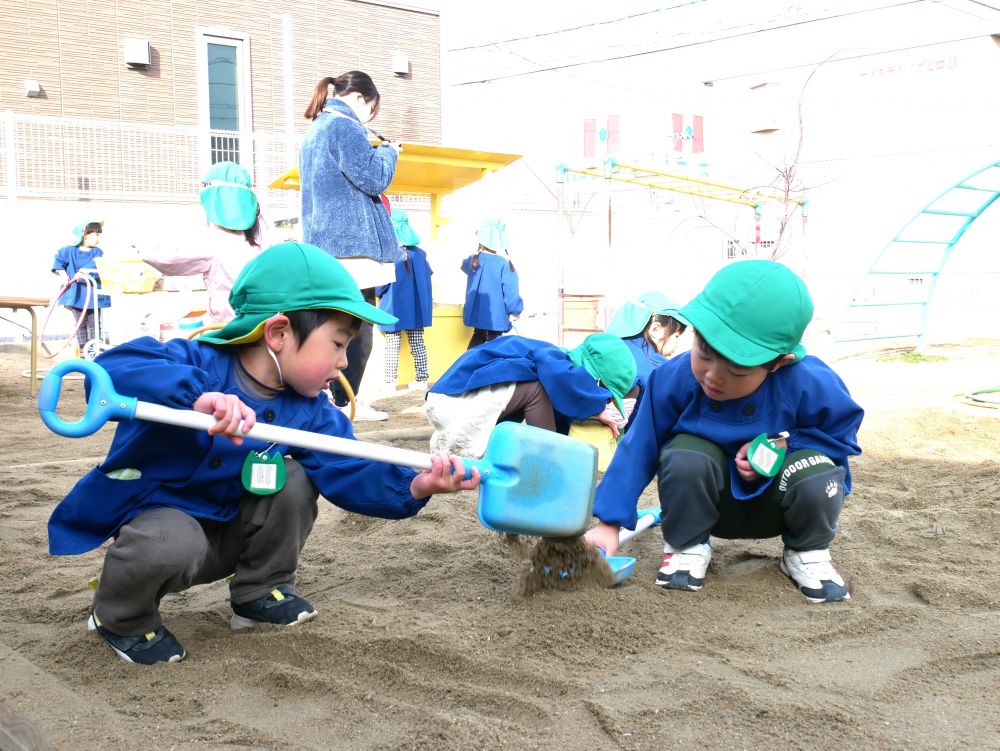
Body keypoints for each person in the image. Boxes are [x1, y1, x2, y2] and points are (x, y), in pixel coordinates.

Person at [47, 242, 480, 665]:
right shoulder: (197, 362)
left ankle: (258, 590)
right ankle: (121, 616)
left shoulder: (310, 412)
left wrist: (418, 484)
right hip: (159, 535)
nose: (345, 361)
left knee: (295, 478)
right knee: (169, 540)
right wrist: (196, 397)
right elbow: (117, 369)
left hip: (229, 533)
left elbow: (350, 465)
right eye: (338, 344)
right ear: (278, 333)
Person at [584, 260, 864, 603]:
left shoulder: (810, 382)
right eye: (705, 352)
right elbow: (639, 445)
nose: (714, 376)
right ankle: (686, 547)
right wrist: (609, 522)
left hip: (779, 502)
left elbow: (840, 435)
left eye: (736, 368)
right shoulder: (673, 379)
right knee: (684, 453)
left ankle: (807, 552)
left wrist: (783, 446)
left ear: (778, 363)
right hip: (701, 506)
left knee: (819, 470)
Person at [300, 71, 402, 420]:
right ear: (359, 98)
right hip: (352, 248)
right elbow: (373, 178)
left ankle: (325, 400)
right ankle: (344, 403)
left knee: (327, 327)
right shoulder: (344, 126)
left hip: (323, 246)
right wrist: (389, 152)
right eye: (371, 110)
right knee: (358, 331)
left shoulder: (316, 130)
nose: (370, 119)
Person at [425, 333, 636, 459]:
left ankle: (540, 454)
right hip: (452, 401)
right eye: (602, 391)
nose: (602, 397)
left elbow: (557, 408)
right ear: (596, 379)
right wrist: (596, 406)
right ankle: (546, 459)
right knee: (535, 388)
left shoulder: (557, 373)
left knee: (534, 390)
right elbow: (562, 379)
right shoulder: (553, 356)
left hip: (456, 400)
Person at [140, 161, 264, 323]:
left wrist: (138, 242)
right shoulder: (261, 233)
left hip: (231, 330)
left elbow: (165, 258)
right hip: (264, 325)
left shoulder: (215, 242)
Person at [604, 290, 689, 425]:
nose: (676, 345)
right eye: (676, 336)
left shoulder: (608, 346)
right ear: (656, 330)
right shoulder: (657, 369)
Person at [375, 209, 433, 395]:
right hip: (416, 308)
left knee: (392, 345)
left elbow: (380, 285)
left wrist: (377, 294)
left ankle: (389, 382)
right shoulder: (421, 254)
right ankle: (422, 379)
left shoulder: (390, 255)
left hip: (393, 307)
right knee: (418, 343)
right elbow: (428, 276)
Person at [461, 217, 523, 349]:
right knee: (495, 347)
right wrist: (516, 310)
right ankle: (491, 369)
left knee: (478, 336)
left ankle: (466, 367)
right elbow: (511, 293)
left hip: (476, 314)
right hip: (496, 316)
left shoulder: (472, 261)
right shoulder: (504, 265)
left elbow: (464, 265)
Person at [51, 220, 110, 351]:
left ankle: (96, 349)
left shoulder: (97, 252)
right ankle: (83, 350)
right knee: (80, 323)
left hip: (93, 294)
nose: (98, 239)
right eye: (96, 235)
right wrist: (63, 275)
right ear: (84, 234)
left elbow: (97, 263)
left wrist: (82, 272)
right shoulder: (68, 251)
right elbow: (58, 260)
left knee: (94, 322)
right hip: (76, 294)